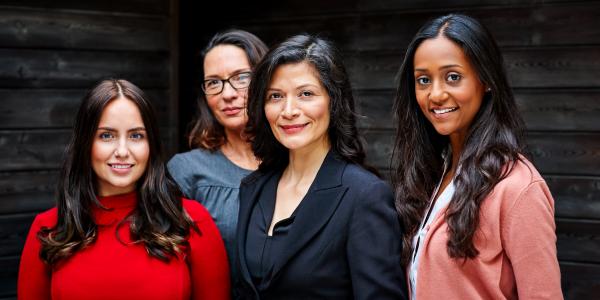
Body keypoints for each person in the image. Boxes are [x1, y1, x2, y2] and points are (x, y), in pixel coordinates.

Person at [392, 14, 562, 299]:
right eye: (423, 80)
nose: (435, 94)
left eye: (453, 77)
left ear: (485, 81)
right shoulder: (432, 174)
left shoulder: (518, 188)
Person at [18, 79, 230, 300]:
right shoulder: (48, 229)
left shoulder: (190, 221)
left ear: (151, 145)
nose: (122, 150)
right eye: (106, 135)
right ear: (85, 143)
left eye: (136, 135)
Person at [235, 34, 407, 299]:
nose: (289, 110)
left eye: (306, 94)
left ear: (333, 101)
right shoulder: (254, 186)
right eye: (276, 96)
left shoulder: (364, 195)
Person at [168, 30, 268, 281]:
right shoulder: (186, 171)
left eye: (241, 77)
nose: (227, 94)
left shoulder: (297, 162)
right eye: (214, 82)